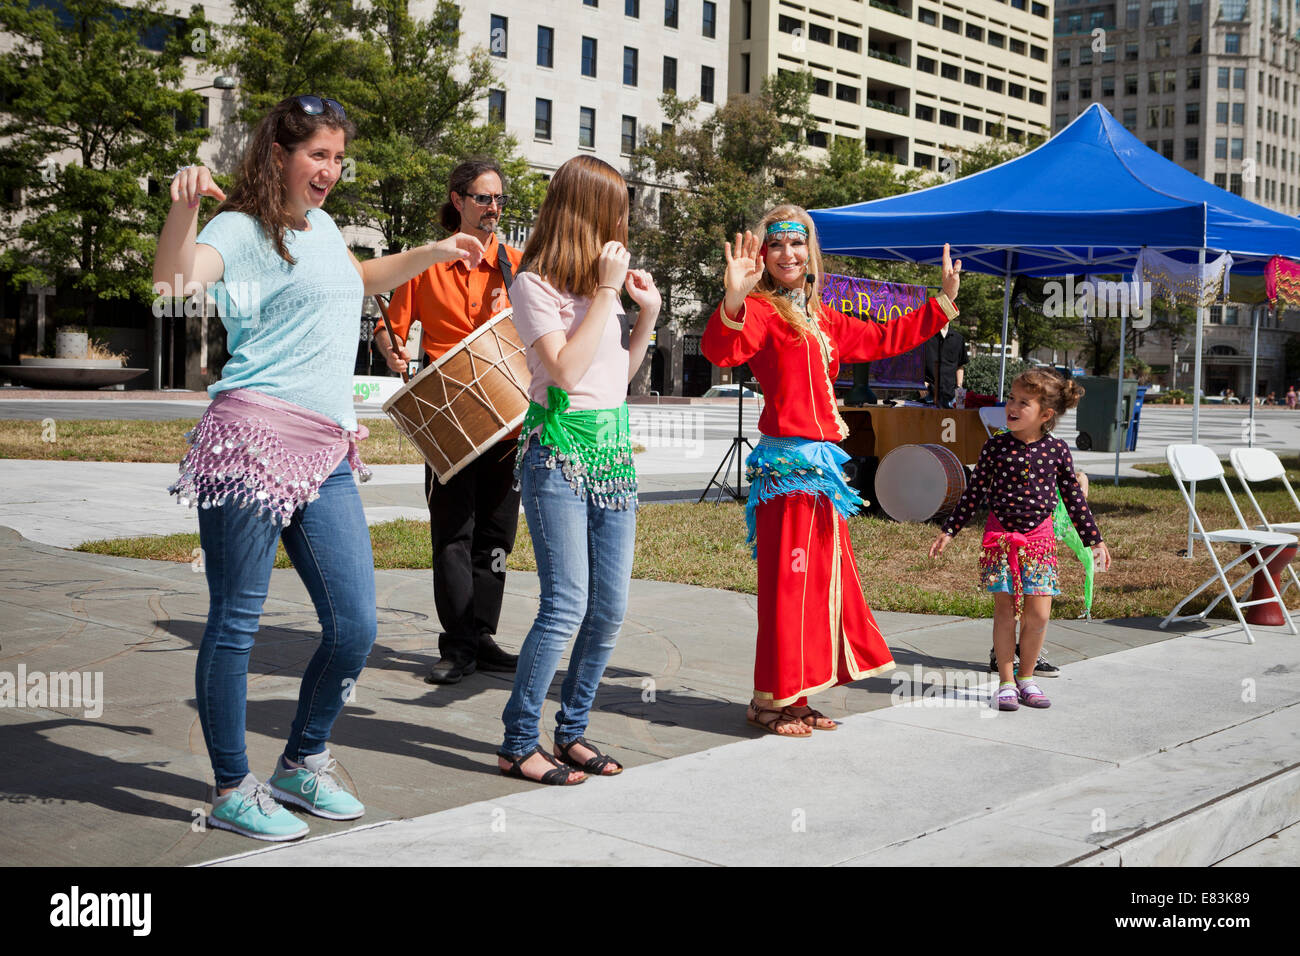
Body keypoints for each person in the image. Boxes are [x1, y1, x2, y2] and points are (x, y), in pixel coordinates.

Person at [155, 95, 484, 840]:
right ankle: (233, 785)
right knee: (236, 621)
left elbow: (356, 278)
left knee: (355, 624)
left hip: (328, 449)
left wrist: (431, 255)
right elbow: (176, 287)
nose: (331, 170)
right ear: (279, 154)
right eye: (318, 156)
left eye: (338, 157)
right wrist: (180, 211)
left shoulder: (324, 226)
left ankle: (302, 760)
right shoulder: (237, 229)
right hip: (253, 439)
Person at [701, 206, 961, 737]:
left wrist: (942, 303)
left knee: (822, 583)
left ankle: (796, 696)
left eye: (797, 244)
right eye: (776, 246)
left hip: (822, 471)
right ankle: (769, 700)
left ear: (810, 251)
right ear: (764, 255)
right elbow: (722, 350)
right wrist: (732, 297)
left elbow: (885, 338)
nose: (788, 255)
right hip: (787, 469)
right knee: (789, 585)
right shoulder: (760, 310)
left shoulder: (822, 318)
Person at [496, 155, 660, 784]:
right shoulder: (533, 283)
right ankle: (518, 739)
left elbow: (613, 377)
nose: (622, 223)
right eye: (616, 211)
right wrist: (609, 294)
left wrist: (642, 316)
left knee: (609, 606)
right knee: (565, 602)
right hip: (557, 454)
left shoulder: (599, 292)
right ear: (589, 212)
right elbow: (564, 372)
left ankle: (572, 732)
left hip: (611, 454)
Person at [374, 158, 524, 685]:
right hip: (449, 419)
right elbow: (388, 328)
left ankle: (483, 635)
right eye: (484, 198)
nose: (494, 208)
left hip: (509, 424)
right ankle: (456, 644)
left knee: (497, 538)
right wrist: (390, 352)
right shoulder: (425, 265)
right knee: (453, 535)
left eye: (500, 199)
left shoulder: (517, 263)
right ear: (458, 201)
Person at [930, 370, 1112, 710]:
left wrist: (1094, 539)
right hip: (1001, 540)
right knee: (1006, 613)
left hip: (1040, 541)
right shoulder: (996, 445)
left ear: (1045, 415)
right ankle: (1006, 681)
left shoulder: (1056, 450)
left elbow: (1073, 497)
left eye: (1022, 402)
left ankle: (1027, 677)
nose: (1010, 407)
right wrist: (950, 530)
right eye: (1010, 399)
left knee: (1039, 614)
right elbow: (974, 493)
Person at [923, 322, 967, 408]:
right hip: (928, 395)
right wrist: (921, 385)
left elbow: (960, 366)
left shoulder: (959, 339)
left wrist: (959, 387)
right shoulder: (925, 337)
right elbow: (917, 364)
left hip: (952, 396)